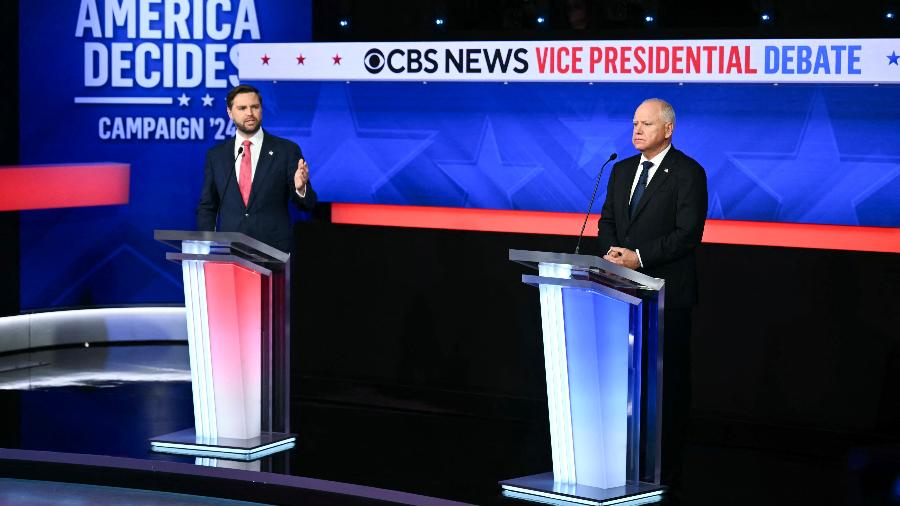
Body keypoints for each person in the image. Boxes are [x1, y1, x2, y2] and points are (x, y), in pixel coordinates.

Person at [597, 98, 708, 492]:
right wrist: (612, 253)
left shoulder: (687, 173)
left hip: (667, 297)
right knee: (626, 384)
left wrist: (639, 257)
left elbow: (687, 234)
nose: (637, 130)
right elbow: (607, 220)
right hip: (622, 294)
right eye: (634, 123)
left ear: (668, 129)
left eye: (646, 124)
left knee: (667, 386)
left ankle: (666, 471)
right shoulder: (621, 169)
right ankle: (626, 464)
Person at [197, 84, 316, 253]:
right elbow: (207, 206)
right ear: (230, 113)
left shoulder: (287, 150)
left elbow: (308, 204)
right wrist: (206, 245)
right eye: (242, 108)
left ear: (261, 109)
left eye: (255, 107)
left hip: (273, 251)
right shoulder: (216, 156)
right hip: (230, 251)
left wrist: (301, 188)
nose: (249, 113)